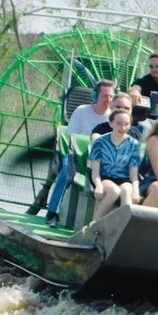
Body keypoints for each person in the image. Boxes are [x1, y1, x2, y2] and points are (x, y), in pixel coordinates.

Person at [44, 79, 115, 226]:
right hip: (77, 154)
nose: (107, 100)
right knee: (66, 169)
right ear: (96, 96)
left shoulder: (113, 118)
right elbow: (72, 138)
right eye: (104, 96)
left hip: (100, 158)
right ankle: (52, 211)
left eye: (110, 97)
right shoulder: (81, 111)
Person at [89, 109, 141, 221]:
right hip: (104, 177)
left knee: (127, 191)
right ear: (111, 123)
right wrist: (98, 185)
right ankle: (94, 224)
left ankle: (123, 227)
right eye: (119, 123)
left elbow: (133, 174)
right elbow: (95, 171)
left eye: (126, 124)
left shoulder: (134, 144)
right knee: (114, 191)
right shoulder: (100, 142)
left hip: (123, 178)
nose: (122, 128)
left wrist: (136, 189)